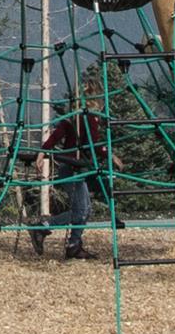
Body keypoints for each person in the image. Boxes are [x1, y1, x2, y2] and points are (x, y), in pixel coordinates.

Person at [24, 101, 115, 262]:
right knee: (80, 211)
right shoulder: (86, 119)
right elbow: (95, 145)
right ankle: (42, 227)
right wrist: (111, 156)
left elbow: (57, 136)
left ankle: (74, 245)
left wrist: (42, 151)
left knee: (85, 210)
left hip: (75, 167)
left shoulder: (74, 118)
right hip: (73, 167)